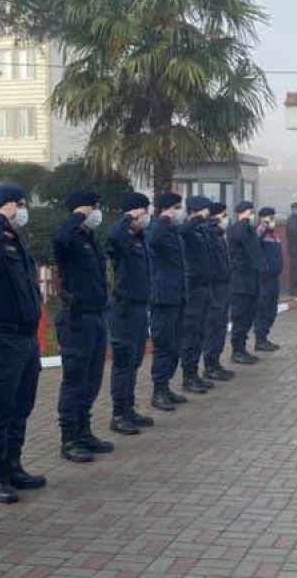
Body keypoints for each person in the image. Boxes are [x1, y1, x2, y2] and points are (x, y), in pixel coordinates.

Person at [0, 184, 47, 504]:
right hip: (1, 338)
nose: (24, 210)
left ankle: (14, 465)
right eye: (20, 204)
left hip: (25, 338)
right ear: (6, 206)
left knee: (20, 406)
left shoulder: (16, 242)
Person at [52, 189, 115, 464]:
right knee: (75, 379)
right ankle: (69, 438)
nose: (97, 212)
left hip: (96, 315)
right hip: (76, 317)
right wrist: (78, 215)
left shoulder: (88, 238)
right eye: (94, 207)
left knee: (92, 378)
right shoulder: (70, 237)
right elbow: (59, 239)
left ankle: (84, 429)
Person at [105, 193, 155, 435]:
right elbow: (113, 237)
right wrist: (128, 219)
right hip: (124, 307)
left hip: (140, 307)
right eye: (145, 211)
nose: (148, 216)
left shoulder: (140, 238)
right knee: (123, 361)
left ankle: (129, 408)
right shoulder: (121, 235)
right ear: (135, 212)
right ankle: (118, 413)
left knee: (135, 360)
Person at [148, 192, 189, 411]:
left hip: (177, 296)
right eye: (176, 207)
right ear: (165, 209)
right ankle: (159, 390)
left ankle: (166, 386)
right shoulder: (158, 229)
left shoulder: (173, 233)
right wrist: (164, 217)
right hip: (163, 298)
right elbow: (153, 239)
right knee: (164, 345)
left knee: (175, 346)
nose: (179, 211)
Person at [178, 195, 217, 394]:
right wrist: (196, 219)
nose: (208, 213)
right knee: (191, 334)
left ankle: (194, 374)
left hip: (204, 288)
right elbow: (182, 229)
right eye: (204, 210)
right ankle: (188, 377)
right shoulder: (187, 229)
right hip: (192, 289)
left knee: (200, 333)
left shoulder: (201, 231)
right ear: (194, 211)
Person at [201, 202, 236, 381]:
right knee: (213, 326)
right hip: (214, 287)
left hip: (224, 286)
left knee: (221, 326)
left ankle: (216, 362)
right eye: (222, 215)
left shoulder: (220, 235)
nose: (225, 219)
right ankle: (209, 364)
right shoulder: (209, 234)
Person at [226, 201, 262, 364]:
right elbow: (245, 247)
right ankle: (237, 351)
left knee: (248, 316)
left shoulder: (249, 229)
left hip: (250, 280)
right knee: (240, 317)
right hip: (240, 281)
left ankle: (242, 348)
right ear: (243, 212)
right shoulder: (239, 228)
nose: (252, 215)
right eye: (250, 212)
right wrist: (245, 222)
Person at [254, 207, 283, 352]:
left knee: (271, 309)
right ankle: (260, 339)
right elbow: (255, 241)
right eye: (270, 218)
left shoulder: (274, 235)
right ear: (262, 218)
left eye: (273, 218)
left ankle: (265, 337)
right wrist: (264, 226)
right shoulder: (260, 231)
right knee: (263, 309)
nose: (273, 220)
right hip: (264, 277)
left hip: (274, 276)